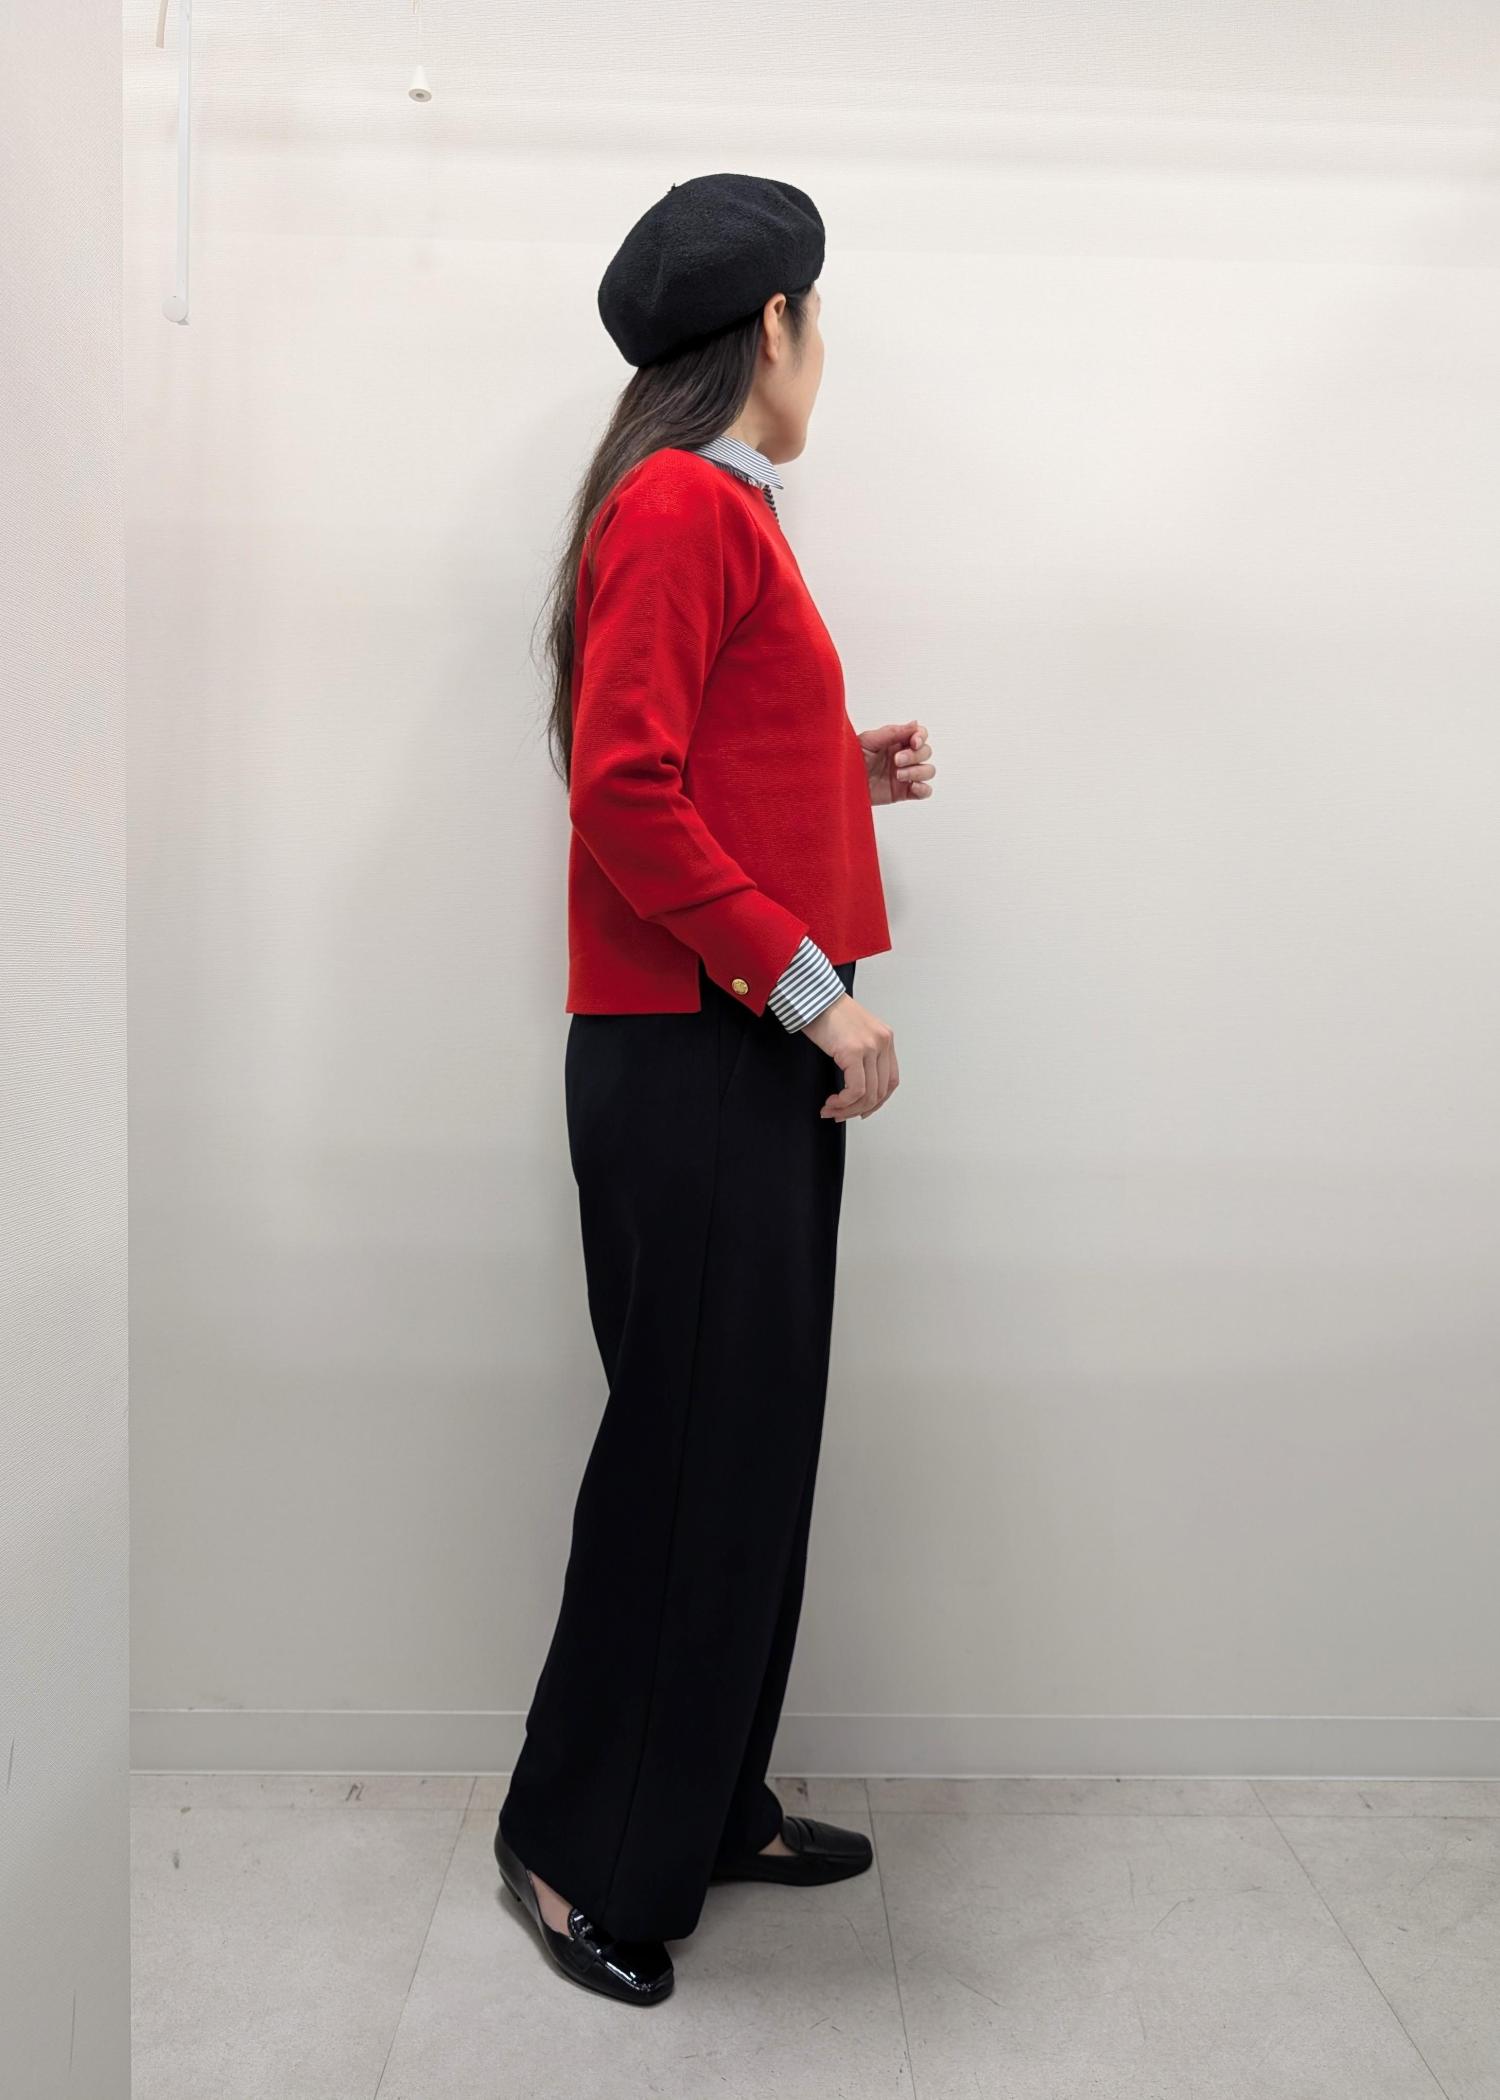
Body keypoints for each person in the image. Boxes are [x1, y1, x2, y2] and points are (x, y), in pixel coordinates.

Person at [495, 171, 938, 2006]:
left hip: (722, 1053)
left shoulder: (712, 506)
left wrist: (837, 769)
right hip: (698, 1054)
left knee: (748, 1446)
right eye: (816, 319)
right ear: (774, 324)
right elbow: (624, 792)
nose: (822, 350)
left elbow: (693, 758)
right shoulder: (684, 502)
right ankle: (573, 1851)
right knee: (687, 1454)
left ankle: (702, 1801)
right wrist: (818, 995)